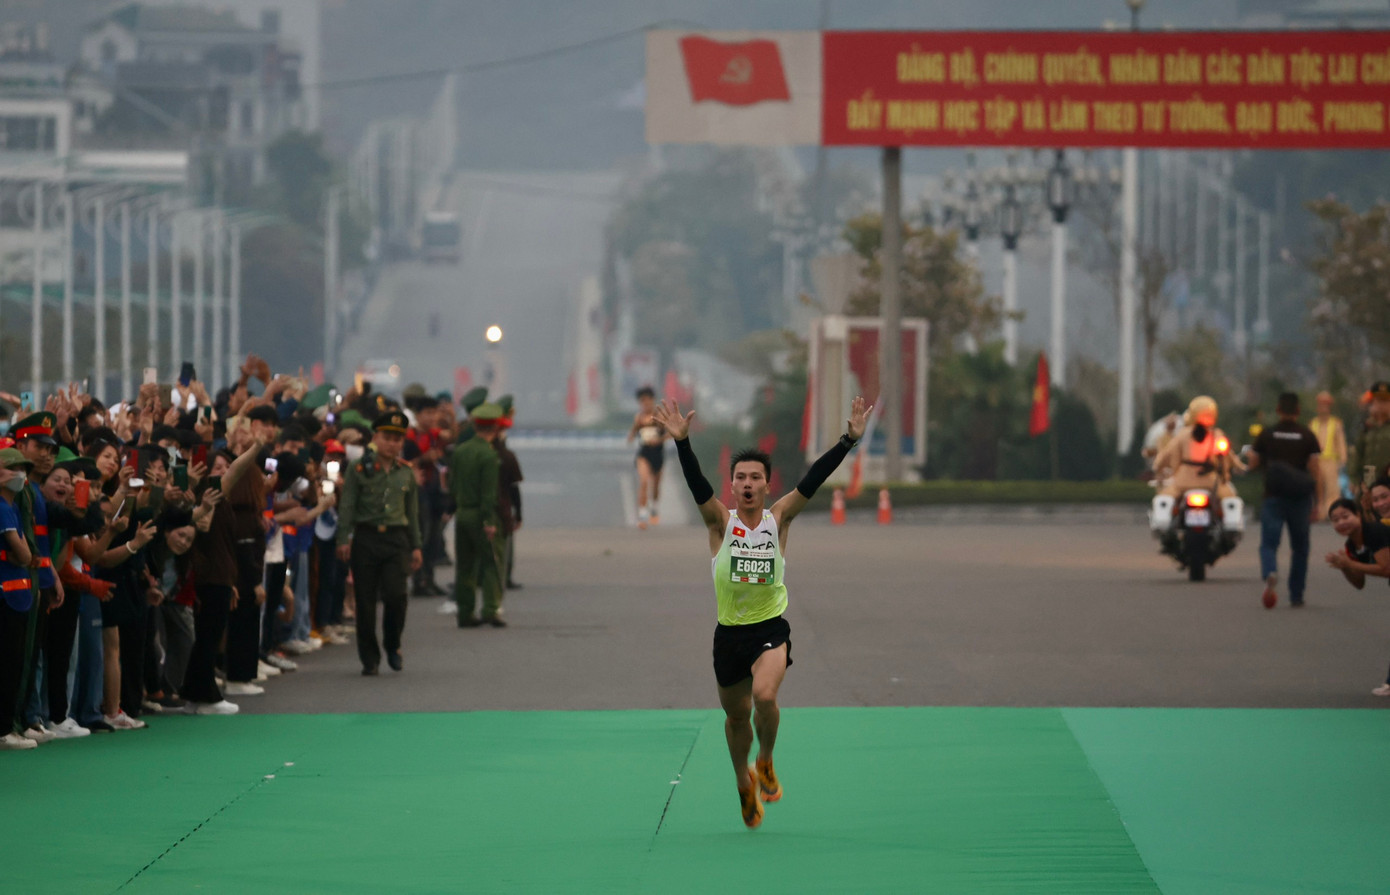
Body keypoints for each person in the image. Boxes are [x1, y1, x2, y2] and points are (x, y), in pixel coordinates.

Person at [652, 394, 870, 829]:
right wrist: (682, 444)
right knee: (736, 717)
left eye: (756, 478)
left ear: (768, 485)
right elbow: (698, 488)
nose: (748, 484)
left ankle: (766, 761)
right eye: (740, 478)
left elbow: (812, 480)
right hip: (728, 636)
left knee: (765, 696)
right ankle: (742, 781)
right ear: (732, 485)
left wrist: (848, 440)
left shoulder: (779, 520)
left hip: (770, 628)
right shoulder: (720, 523)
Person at [337, 410, 422, 674]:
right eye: (387, 437)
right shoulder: (358, 468)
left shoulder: (406, 473)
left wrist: (416, 546)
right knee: (365, 602)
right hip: (366, 538)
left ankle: (393, 643)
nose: (393, 444)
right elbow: (348, 505)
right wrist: (343, 538)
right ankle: (369, 658)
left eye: (398, 439)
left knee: (397, 596)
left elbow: (412, 513)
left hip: (396, 540)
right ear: (375, 438)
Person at [1248, 392, 1322, 609]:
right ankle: (1296, 594)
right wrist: (1317, 501)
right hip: (1300, 499)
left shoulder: (1267, 434)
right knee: (1300, 547)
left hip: (1273, 497)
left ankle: (1270, 571)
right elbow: (1315, 470)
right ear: (1298, 411)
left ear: (1279, 410)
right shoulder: (1308, 436)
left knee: (1269, 544)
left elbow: (1252, 462)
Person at [1323, 498, 1390, 696]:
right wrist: (1344, 566)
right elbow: (1359, 583)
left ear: (1358, 515)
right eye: (1335, 520)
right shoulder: (1351, 546)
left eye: (1346, 516)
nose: (1341, 522)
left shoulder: (1375, 532)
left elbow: (1386, 569)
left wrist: (1350, 564)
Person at [448, 403, 505, 627]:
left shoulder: (461, 451)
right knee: (490, 563)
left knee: (464, 566)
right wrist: (489, 521)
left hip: (462, 514)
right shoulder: (488, 455)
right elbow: (488, 493)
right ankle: (490, 609)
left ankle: (465, 611)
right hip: (480, 516)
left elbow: (452, 485)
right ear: (496, 428)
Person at [0, 448, 38, 750]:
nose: (20, 475)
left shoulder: (12, 506)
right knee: (7, 663)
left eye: (22, 469)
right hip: (6, 597)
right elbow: (24, 553)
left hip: (18, 596)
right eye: (13, 469)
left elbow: (24, 554)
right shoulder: (1, 507)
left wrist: (20, 554)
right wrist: (20, 553)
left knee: (14, 662)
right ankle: (3, 729)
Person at [627, 387, 668, 529]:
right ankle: (642, 515)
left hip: (658, 453)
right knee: (644, 482)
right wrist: (631, 437)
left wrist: (659, 440)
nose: (645, 404)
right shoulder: (639, 418)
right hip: (644, 453)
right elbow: (633, 432)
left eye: (647, 400)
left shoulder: (659, 416)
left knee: (655, 486)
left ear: (652, 400)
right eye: (642, 401)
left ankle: (654, 507)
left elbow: (670, 433)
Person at [495, 395, 524, 590]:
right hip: (499, 502)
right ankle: (500, 578)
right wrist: (518, 511)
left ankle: (504, 575)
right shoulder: (501, 449)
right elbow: (512, 483)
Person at [1309, 391, 1347, 520]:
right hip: (1316, 461)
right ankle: (1319, 513)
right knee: (1317, 490)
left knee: (1332, 491)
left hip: (1331, 461)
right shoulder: (1313, 423)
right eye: (1321, 404)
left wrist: (1343, 460)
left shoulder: (1335, 423)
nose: (1323, 407)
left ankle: (1332, 513)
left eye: (1325, 404)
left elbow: (1341, 443)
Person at [1350, 381, 1390, 496]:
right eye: (1378, 401)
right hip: (1368, 482)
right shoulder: (1367, 427)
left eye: (1385, 401)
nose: (1381, 405)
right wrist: (1354, 479)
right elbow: (1357, 454)